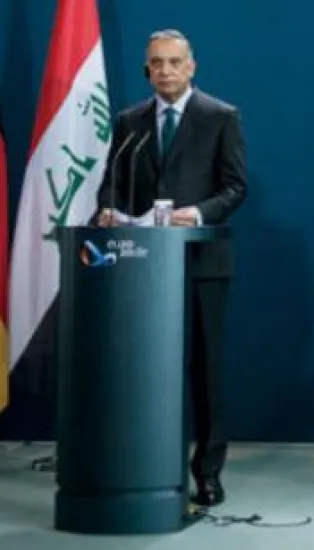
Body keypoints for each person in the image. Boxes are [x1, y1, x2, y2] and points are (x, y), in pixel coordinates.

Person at [95, 29, 247, 507]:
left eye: (174, 63)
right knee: (145, 369)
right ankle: (146, 462)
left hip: (202, 264)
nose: (164, 71)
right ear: (147, 69)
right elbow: (112, 184)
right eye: (156, 63)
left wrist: (197, 214)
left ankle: (207, 473)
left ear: (192, 67)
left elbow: (234, 188)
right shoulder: (129, 122)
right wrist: (108, 211)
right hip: (144, 269)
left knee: (205, 371)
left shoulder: (220, 117)